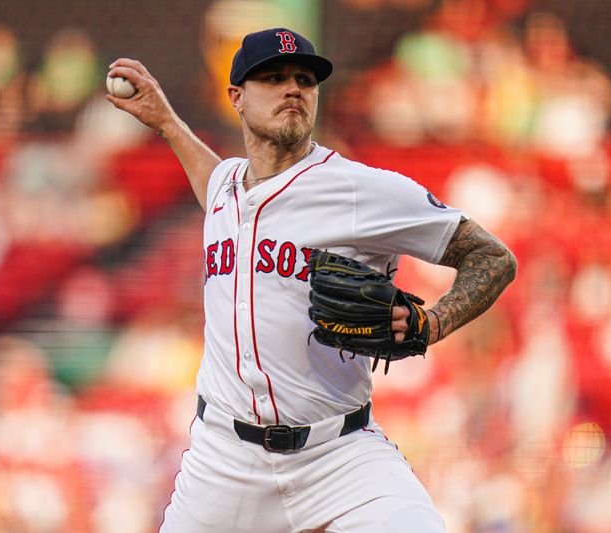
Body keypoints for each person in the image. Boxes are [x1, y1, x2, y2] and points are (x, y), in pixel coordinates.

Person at [107, 27, 517, 533]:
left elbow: (492, 256)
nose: (293, 89)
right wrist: (167, 122)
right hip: (224, 461)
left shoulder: (360, 190)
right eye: (274, 78)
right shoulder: (225, 189)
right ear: (236, 97)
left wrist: (432, 324)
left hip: (339, 455)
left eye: (305, 78)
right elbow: (212, 179)